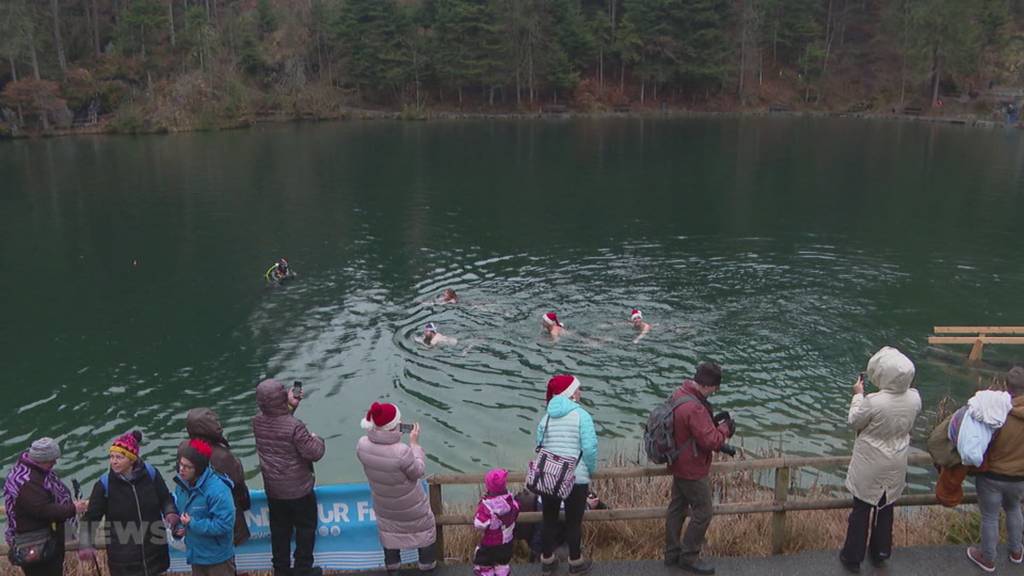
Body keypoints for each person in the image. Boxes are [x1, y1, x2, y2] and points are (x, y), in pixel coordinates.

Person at [840, 346, 921, 573]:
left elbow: (855, 421)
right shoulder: (914, 398)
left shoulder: (874, 402)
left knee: (862, 509)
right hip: (897, 460)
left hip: (871, 462)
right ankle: (881, 552)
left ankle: (852, 556)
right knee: (886, 508)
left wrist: (858, 395)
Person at [664, 362, 733, 575]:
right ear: (708, 385)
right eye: (715, 387)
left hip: (677, 462)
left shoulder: (680, 393)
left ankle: (672, 553)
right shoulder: (695, 407)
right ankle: (689, 557)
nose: (715, 391)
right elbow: (711, 441)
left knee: (676, 508)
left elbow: (690, 429)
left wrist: (708, 421)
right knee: (704, 512)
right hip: (692, 468)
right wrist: (725, 429)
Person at [252, 379, 327, 576]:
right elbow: (314, 453)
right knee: (305, 530)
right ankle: (303, 569)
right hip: (300, 491)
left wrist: (290, 406)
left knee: (279, 533)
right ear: (281, 398)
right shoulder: (295, 427)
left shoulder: (257, 422)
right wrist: (317, 439)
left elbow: (277, 425)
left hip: (274, 492)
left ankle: (281, 570)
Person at [79, 431, 179, 576]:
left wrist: (170, 512)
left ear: (132, 459)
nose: (113, 461)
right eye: (111, 457)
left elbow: (165, 498)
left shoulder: (151, 474)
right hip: (123, 560)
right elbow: (91, 517)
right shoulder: (104, 485)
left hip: (155, 553)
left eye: (119, 457)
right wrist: (86, 543)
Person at [356, 402, 437, 575]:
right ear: (393, 426)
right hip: (412, 506)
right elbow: (418, 471)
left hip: (384, 506)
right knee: (425, 531)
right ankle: (427, 567)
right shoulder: (402, 451)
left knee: (389, 533)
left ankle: (393, 569)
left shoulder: (362, 445)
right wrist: (414, 444)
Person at [536, 374, 598, 575]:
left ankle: (547, 560)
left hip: (549, 475)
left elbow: (539, 445)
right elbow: (589, 448)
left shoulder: (546, 417)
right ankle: (575, 561)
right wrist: (590, 470)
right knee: (573, 522)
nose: (580, 392)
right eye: (577, 389)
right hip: (575, 477)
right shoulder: (582, 416)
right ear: (570, 393)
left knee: (549, 519)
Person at [966, 366, 1024, 572]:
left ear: (1007, 387)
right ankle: (1016, 551)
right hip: (1019, 477)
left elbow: (982, 441)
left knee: (990, 517)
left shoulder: (997, 412)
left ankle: (988, 558)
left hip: (992, 475)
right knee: (1014, 509)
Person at [3, 438, 87, 576]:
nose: (55, 462)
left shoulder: (34, 472)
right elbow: (42, 509)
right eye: (51, 460)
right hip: (37, 544)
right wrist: (73, 509)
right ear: (40, 459)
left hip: (46, 540)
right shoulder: (27, 482)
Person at [177, 407, 252, 545]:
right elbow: (238, 485)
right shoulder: (223, 456)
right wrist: (245, 505)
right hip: (222, 516)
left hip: (194, 517)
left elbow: (182, 480)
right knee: (225, 556)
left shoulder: (183, 448)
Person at [173, 439, 237, 576]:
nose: (181, 469)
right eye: (180, 464)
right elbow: (182, 514)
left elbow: (225, 524)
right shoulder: (181, 485)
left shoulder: (218, 490)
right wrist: (180, 527)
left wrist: (192, 524)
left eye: (187, 467)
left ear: (199, 469)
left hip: (218, 559)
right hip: (196, 556)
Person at [473, 469, 519, 576]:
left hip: (490, 543)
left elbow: (479, 524)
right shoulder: (511, 502)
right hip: (507, 542)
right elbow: (517, 508)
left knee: (484, 565)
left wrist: (480, 506)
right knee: (502, 564)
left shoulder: (487, 506)